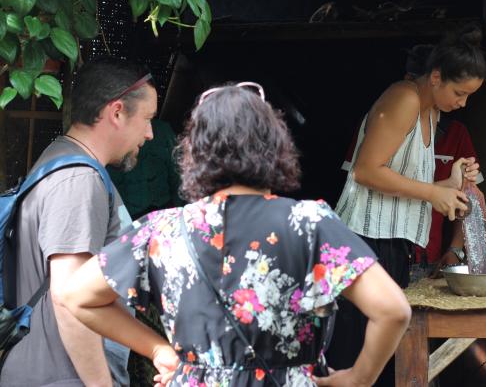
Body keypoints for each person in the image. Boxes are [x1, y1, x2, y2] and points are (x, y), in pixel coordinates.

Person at [60, 82, 412, 386]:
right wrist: (359, 378)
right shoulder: (310, 223)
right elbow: (393, 310)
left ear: (194, 152)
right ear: (274, 146)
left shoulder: (160, 230)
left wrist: (159, 350)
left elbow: (76, 296)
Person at [329, 26, 486, 385]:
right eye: (459, 92)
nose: (463, 103)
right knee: (352, 359)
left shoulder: (430, 113)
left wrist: (450, 184)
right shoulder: (404, 98)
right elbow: (367, 171)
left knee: (383, 363)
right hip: (362, 243)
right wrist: (434, 194)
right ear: (435, 77)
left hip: (391, 246)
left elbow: (402, 181)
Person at [0, 58, 157, 386]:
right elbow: (69, 296)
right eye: (147, 119)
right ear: (116, 112)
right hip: (61, 376)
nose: (150, 133)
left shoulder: (59, 158)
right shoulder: (79, 181)